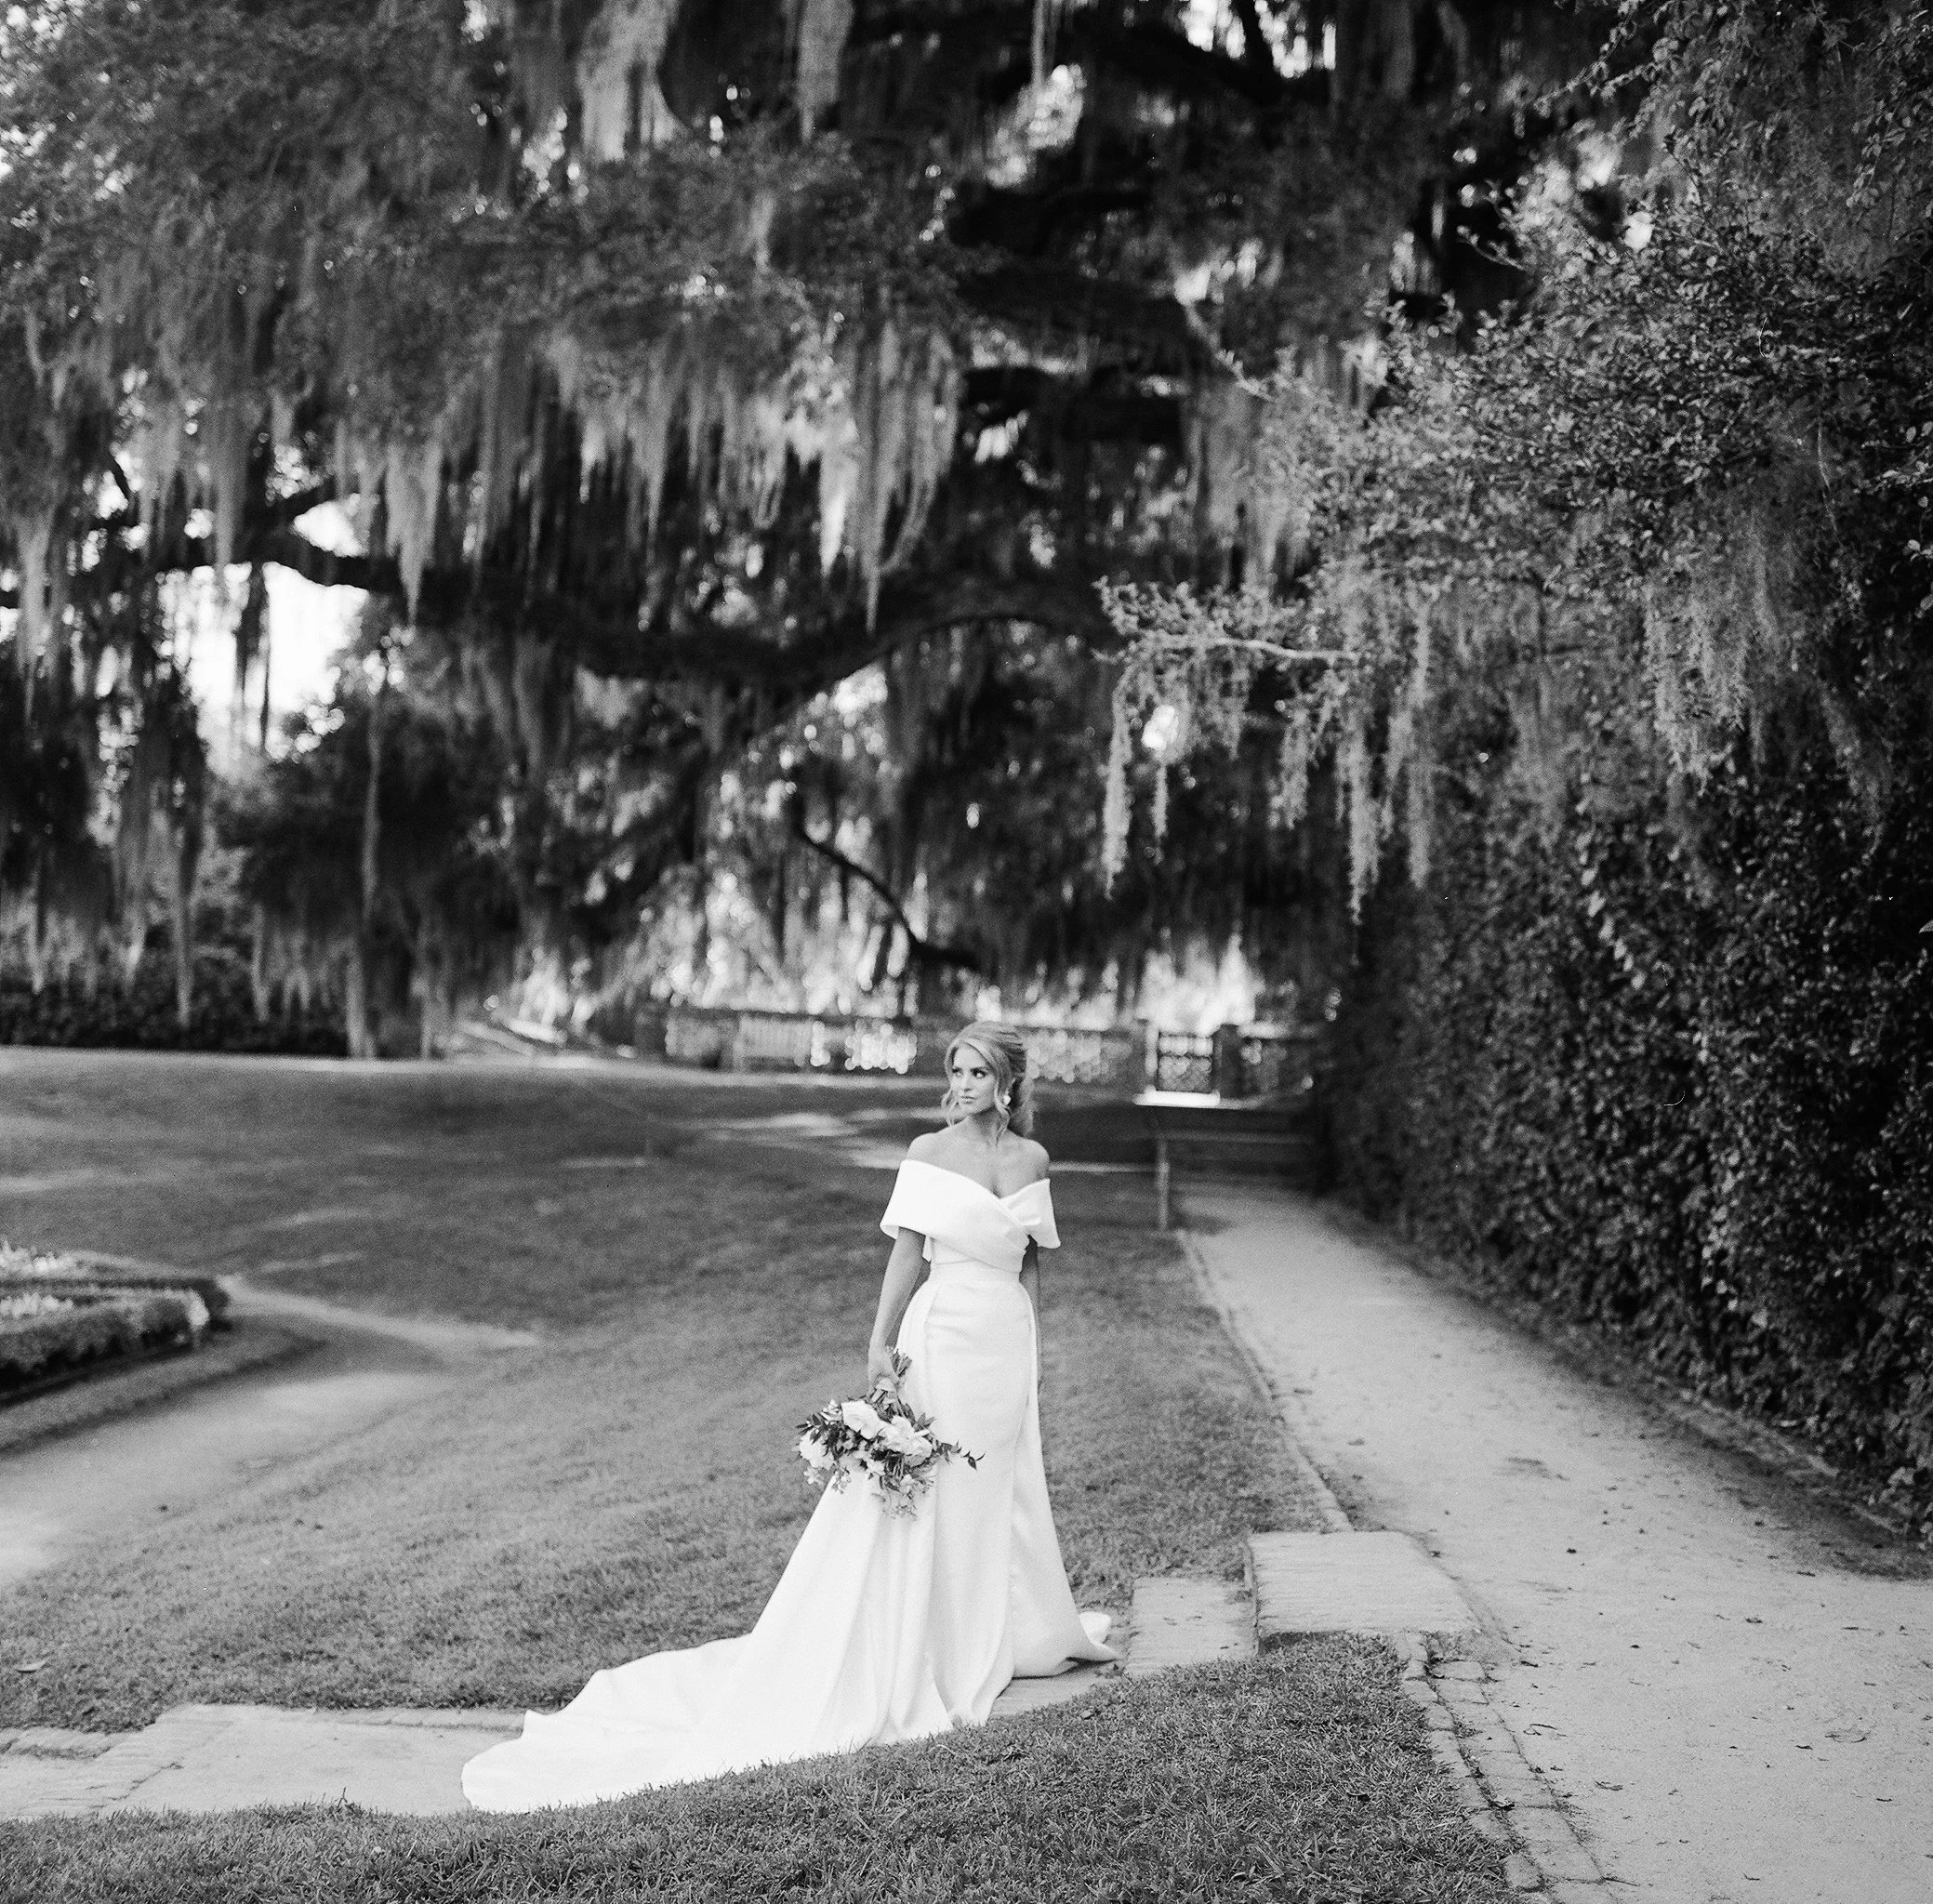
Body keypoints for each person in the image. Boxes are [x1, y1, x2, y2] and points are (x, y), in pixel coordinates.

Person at [462, 1020, 1114, 1810]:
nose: (964, 1084)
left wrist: (1033, 1345)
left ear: (1007, 1081)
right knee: (935, 1488)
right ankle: (922, 1644)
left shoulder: (1031, 1160)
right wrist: (879, 1344)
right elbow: (907, 1252)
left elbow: (1031, 1257)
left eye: (979, 1072)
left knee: (991, 1488)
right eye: (956, 1070)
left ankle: (982, 1630)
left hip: (1002, 1339)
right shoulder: (928, 1152)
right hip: (941, 1333)